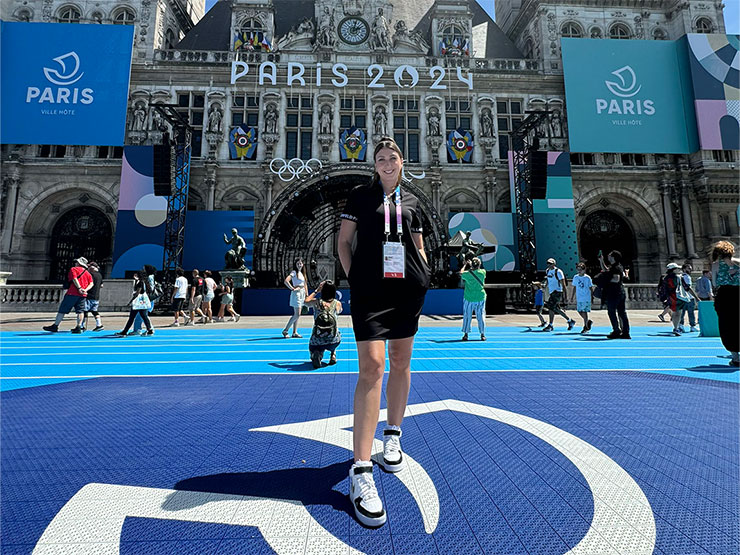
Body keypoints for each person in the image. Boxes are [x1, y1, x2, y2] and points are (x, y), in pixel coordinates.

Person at [338, 136, 431, 528]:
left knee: (401, 362)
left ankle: (392, 434)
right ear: (374, 164)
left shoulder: (413, 202)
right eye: (380, 159)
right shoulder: (360, 197)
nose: (387, 163)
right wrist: (353, 279)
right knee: (372, 367)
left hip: (406, 289)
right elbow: (344, 241)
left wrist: (423, 275)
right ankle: (360, 470)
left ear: (402, 161)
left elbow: (419, 246)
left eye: (393, 157)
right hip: (371, 291)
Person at [43, 257, 93, 333]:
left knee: (62, 310)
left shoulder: (74, 269)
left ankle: (55, 325)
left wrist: (79, 288)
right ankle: (79, 326)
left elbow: (74, 279)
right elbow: (91, 283)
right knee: (80, 311)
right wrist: (85, 290)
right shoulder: (87, 273)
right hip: (83, 295)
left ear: (79, 263)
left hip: (72, 293)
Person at [710, 241, 739, 366]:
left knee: (727, 325)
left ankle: (735, 357)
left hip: (725, 296)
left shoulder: (716, 265)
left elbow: (715, 283)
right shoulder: (738, 262)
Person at [305, 280, 343, 368]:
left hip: (318, 339)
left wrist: (316, 290)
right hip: (333, 340)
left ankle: (317, 354)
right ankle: (333, 354)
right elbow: (339, 311)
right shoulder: (337, 303)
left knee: (313, 345)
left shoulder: (316, 302)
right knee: (337, 332)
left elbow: (306, 302)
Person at [598, 250, 630, 339]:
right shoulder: (614, 267)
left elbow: (616, 279)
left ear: (613, 257)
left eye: (610, 256)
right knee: (621, 312)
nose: (608, 257)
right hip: (618, 292)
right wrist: (601, 261)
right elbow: (606, 270)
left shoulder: (617, 267)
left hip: (615, 292)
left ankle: (617, 330)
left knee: (613, 312)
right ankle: (624, 331)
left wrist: (604, 281)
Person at [115, 270, 155, 337]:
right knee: (144, 316)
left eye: (136, 274)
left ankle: (125, 331)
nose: (134, 276)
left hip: (138, 303)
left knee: (132, 317)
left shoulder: (140, 282)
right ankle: (149, 330)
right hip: (143, 303)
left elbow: (137, 293)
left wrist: (131, 301)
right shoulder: (144, 282)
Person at [664, 262, 698, 337]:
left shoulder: (667, 278)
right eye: (677, 269)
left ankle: (676, 327)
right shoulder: (678, 277)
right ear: (673, 270)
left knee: (677, 313)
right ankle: (677, 327)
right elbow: (687, 288)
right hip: (677, 297)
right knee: (678, 313)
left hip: (672, 297)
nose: (679, 270)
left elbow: (664, 289)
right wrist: (696, 297)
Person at [542, 258, 576, 332]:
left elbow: (563, 284)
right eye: (548, 263)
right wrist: (545, 286)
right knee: (555, 308)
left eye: (550, 263)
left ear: (554, 264)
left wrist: (565, 296)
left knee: (550, 307)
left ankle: (550, 325)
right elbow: (548, 279)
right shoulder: (547, 271)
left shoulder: (558, 271)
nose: (549, 265)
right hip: (551, 291)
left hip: (557, 291)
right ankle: (570, 320)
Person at [459, 257, 486, 341]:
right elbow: (478, 269)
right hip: (480, 297)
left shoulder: (468, 274)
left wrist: (466, 265)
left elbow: (461, 273)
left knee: (467, 316)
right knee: (481, 316)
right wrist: (472, 265)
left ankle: (466, 334)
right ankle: (482, 334)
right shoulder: (482, 273)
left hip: (469, 297)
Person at [282, 259, 309, 338]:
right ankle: (285, 330)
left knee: (297, 315)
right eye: (298, 263)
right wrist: (292, 288)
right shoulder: (294, 272)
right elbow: (286, 281)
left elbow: (305, 284)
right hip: (296, 293)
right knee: (297, 314)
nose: (299, 265)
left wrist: (306, 294)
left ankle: (294, 332)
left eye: (300, 263)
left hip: (302, 293)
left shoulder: (302, 273)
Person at [131, 265, 157, 335]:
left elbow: (149, 288)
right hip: (146, 298)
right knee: (142, 315)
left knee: (142, 315)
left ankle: (142, 329)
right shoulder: (150, 277)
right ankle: (141, 329)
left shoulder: (149, 277)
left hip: (146, 298)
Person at [81, 261, 104, 332]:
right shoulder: (100, 275)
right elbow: (101, 285)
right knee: (94, 311)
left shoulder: (90, 274)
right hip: (96, 296)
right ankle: (99, 324)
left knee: (84, 311)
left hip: (89, 295)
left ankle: (82, 326)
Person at [571, 262, 594, 334]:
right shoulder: (576, 277)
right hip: (579, 297)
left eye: (580, 269)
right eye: (578, 269)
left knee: (584, 311)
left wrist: (592, 296)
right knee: (579, 311)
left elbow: (591, 287)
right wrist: (572, 297)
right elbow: (574, 287)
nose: (579, 271)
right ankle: (587, 322)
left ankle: (585, 326)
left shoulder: (587, 278)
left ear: (584, 270)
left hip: (586, 297)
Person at [679, 263, 699, 332]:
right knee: (691, 313)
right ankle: (692, 326)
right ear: (684, 269)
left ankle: (681, 325)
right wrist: (696, 297)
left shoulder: (680, 277)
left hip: (682, 297)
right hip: (689, 297)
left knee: (682, 312)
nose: (690, 269)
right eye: (688, 268)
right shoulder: (687, 277)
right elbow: (688, 288)